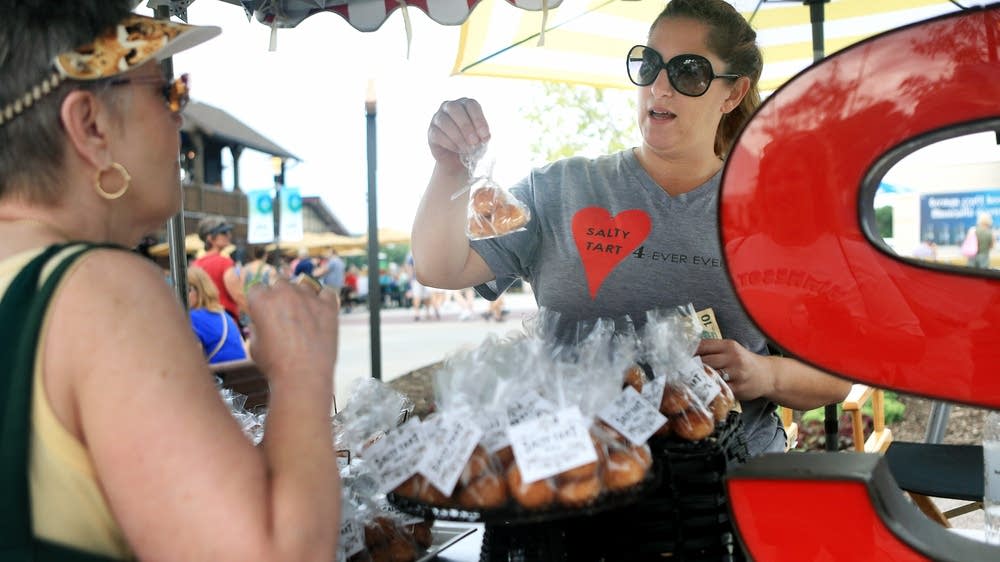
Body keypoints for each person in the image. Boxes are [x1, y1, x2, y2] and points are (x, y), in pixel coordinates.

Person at [411, 0, 850, 458]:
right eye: (650, 65)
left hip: (723, 491)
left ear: (733, 94)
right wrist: (448, 169)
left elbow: (837, 374)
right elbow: (440, 268)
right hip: (576, 479)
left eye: (689, 72)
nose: (660, 86)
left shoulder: (773, 212)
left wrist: (767, 375)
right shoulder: (560, 189)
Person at [0, 4, 340, 560]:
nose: (181, 123)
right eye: (168, 93)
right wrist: (301, 371)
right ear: (91, 125)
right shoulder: (97, 290)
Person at [192, 215, 246, 328]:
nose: (229, 235)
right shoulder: (224, 262)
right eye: (224, 233)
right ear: (210, 238)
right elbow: (239, 296)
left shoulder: (195, 264)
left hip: (202, 324)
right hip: (225, 323)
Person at [187, 266, 248, 364]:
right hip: (243, 376)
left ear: (200, 290)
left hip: (219, 377)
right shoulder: (224, 315)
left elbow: (192, 363)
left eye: (187, 289)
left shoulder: (192, 318)